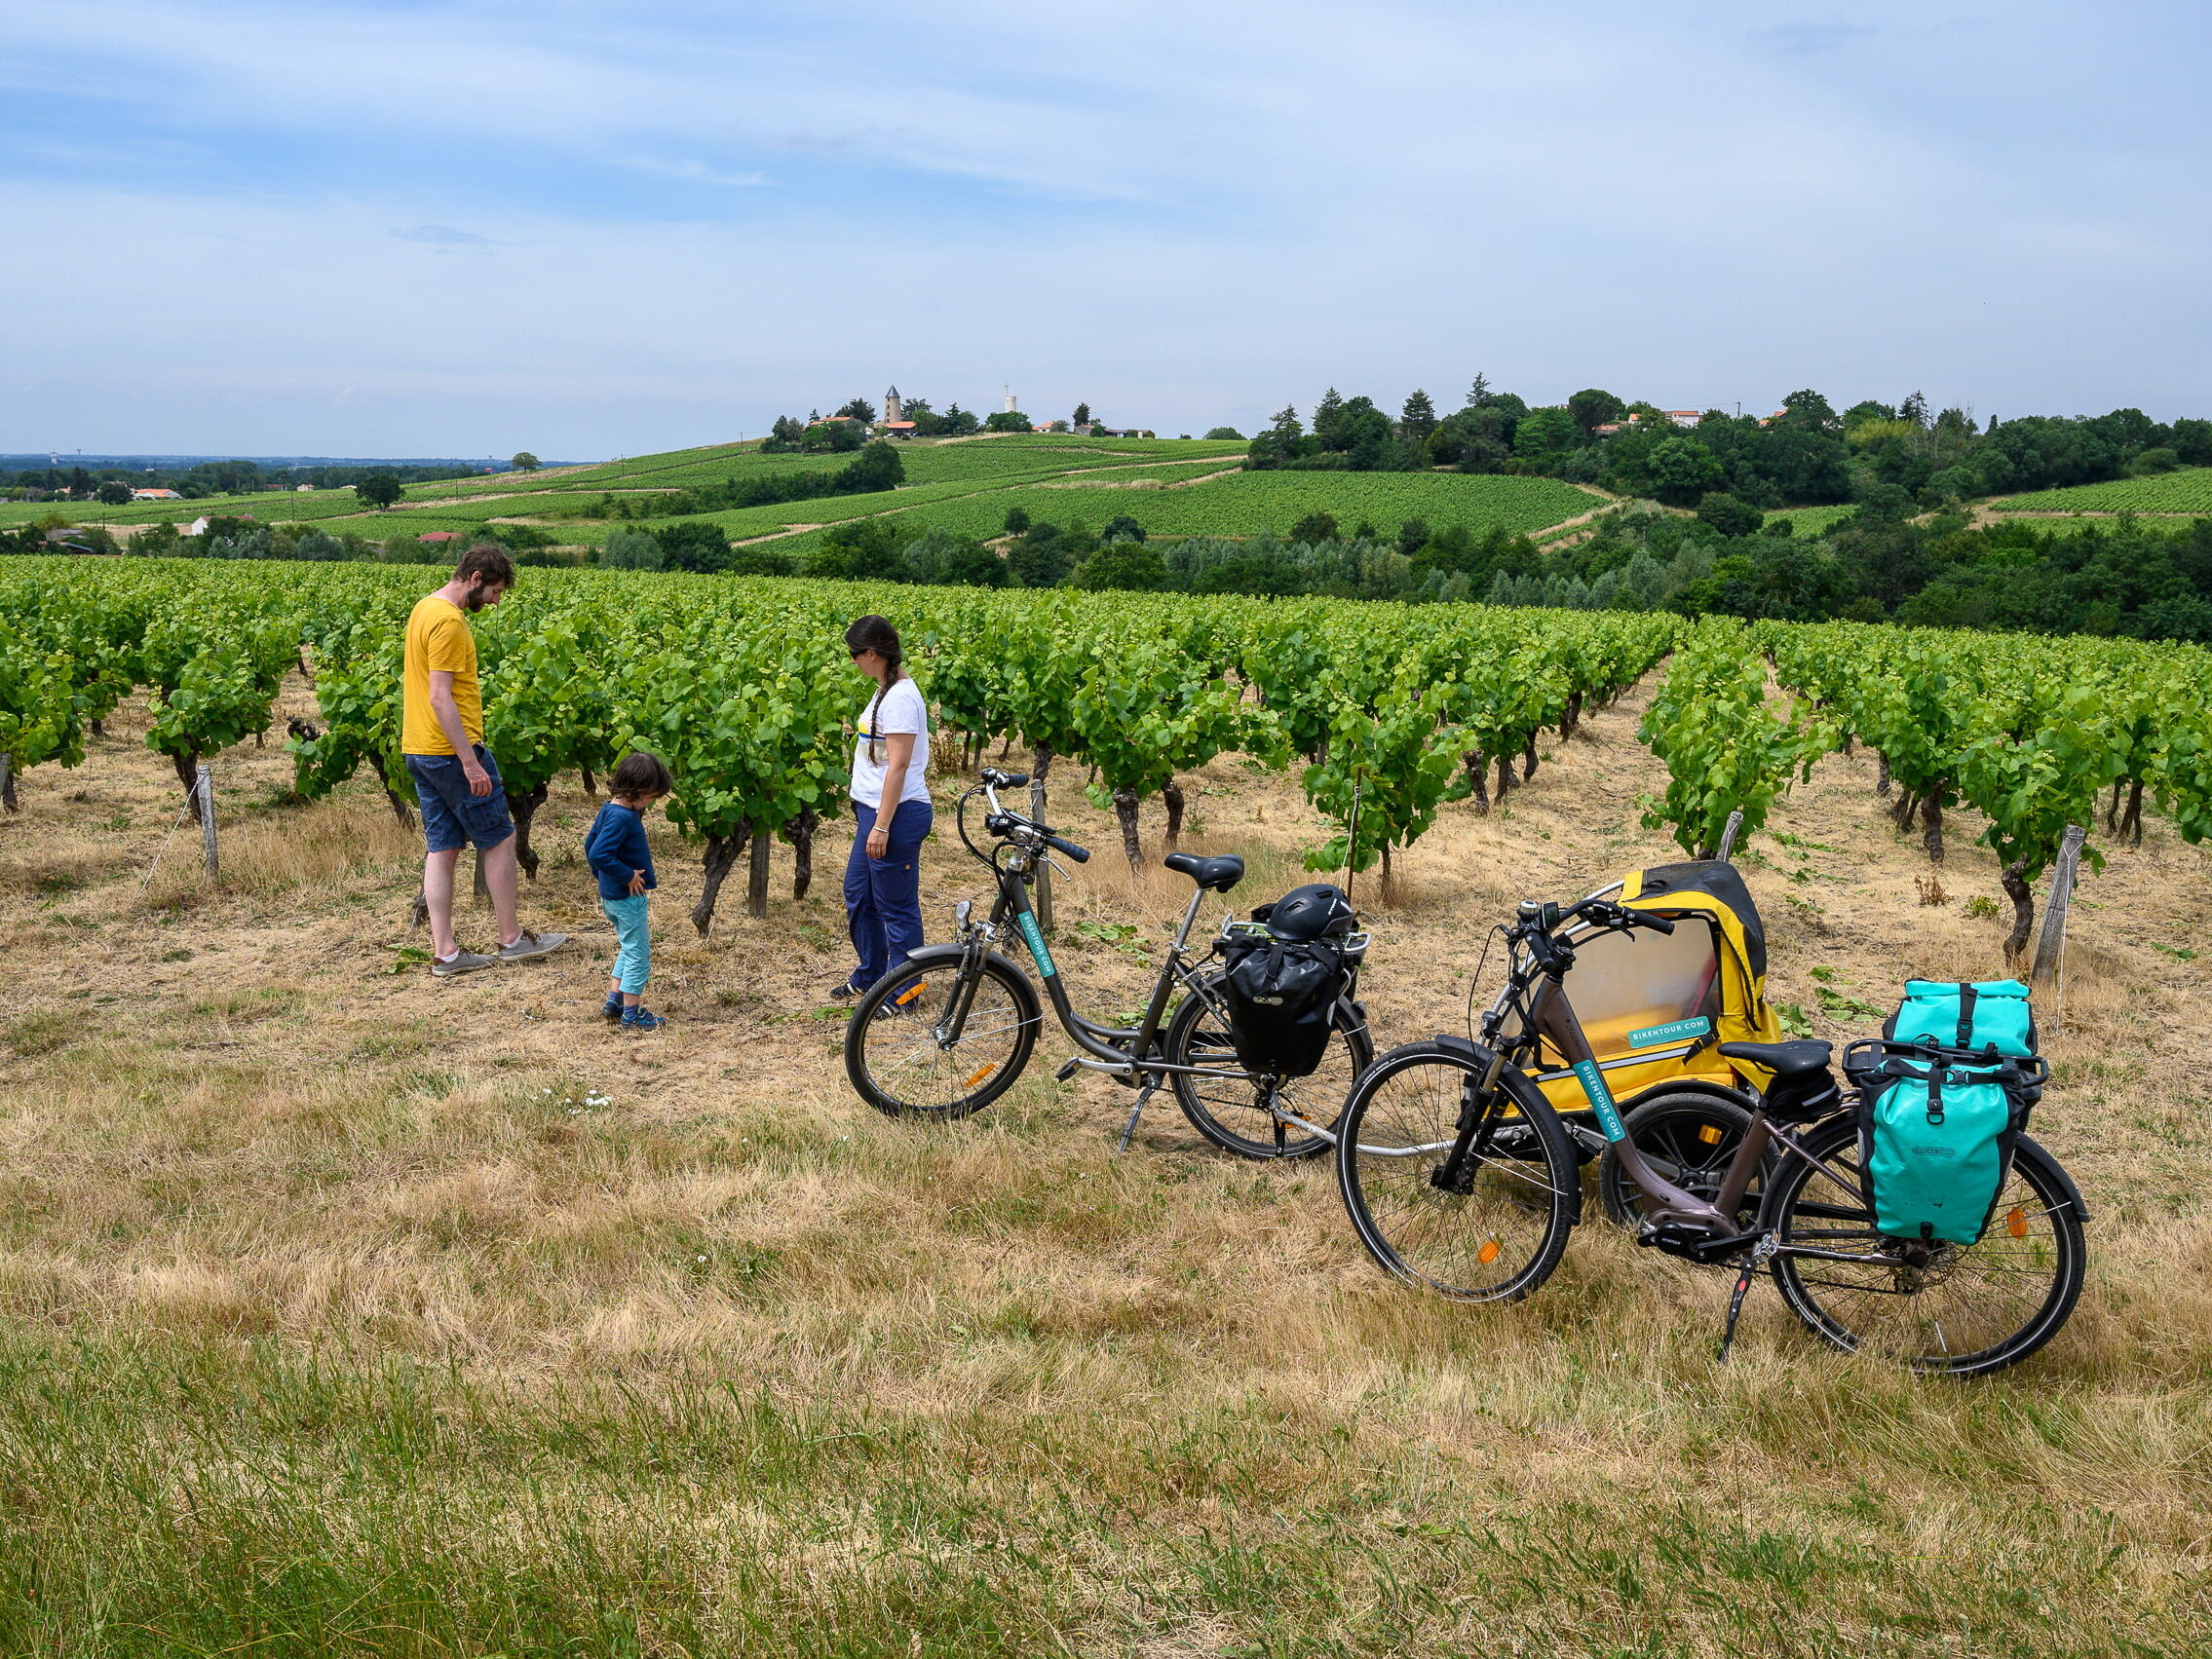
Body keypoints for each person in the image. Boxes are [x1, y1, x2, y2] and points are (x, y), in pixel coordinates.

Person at [400, 544, 568, 976]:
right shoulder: (449, 622)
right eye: (494, 592)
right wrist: (470, 762)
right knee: (499, 838)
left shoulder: (424, 607)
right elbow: (441, 697)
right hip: (450, 751)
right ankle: (511, 939)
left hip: (418, 747)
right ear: (475, 579)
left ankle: (446, 952)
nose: (495, 602)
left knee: (443, 847)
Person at [833, 615, 933, 999]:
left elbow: (899, 765)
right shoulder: (884, 690)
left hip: (896, 814)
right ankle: (872, 975)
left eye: (855, 655)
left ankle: (905, 992)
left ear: (872, 653)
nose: (853, 662)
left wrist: (882, 826)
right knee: (859, 894)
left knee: (896, 905)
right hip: (873, 812)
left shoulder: (902, 698)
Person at [585, 751, 672, 1031]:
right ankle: (631, 1015)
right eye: (652, 796)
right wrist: (626, 875)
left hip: (612, 896)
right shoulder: (623, 817)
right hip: (627, 898)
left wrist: (604, 879)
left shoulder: (609, 809)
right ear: (639, 790)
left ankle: (615, 1000)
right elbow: (599, 853)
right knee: (638, 955)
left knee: (628, 946)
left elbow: (589, 846)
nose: (653, 802)